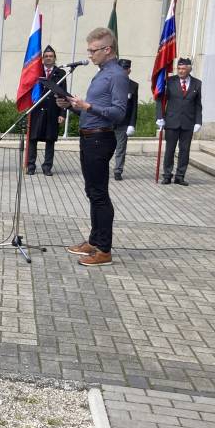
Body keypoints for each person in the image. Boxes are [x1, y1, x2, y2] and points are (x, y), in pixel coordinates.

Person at [56, 27, 128, 267]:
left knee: (99, 195)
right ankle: (94, 240)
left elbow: (119, 113)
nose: (89, 55)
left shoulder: (117, 75)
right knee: (92, 192)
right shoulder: (102, 73)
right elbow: (90, 110)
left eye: (93, 50)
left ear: (107, 49)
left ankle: (104, 250)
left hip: (100, 138)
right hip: (89, 137)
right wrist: (70, 105)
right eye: (88, 50)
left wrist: (88, 106)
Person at [158, 58, 202, 186]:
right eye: (179, 68)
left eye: (183, 69)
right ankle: (167, 175)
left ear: (189, 69)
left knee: (184, 151)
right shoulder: (169, 81)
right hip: (172, 121)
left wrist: (198, 121)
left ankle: (180, 176)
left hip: (188, 122)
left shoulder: (197, 83)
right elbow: (160, 100)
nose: (181, 71)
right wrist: (160, 117)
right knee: (170, 150)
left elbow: (198, 105)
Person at [25, 46, 65, 176]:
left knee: (50, 139)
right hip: (36, 110)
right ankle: (31, 165)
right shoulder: (36, 71)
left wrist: (62, 113)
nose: (48, 58)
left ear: (55, 58)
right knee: (33, 139)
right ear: (42, 58)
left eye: (51, 56)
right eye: (46, 56)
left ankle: (47, 166)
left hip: (53, 110)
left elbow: (63, 94)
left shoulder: (60, 73)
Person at [113, 59, 139, 181]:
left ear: (129, 70)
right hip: (109, 120)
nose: (123, 71)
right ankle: (102, 168)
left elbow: (134, 106)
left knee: (121, 148)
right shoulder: (110, 81)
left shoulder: (133, 85)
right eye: (121, 69)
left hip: (124, 122)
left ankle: (118, 170)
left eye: (126, 69)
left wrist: (132, 124)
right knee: (105, 147)